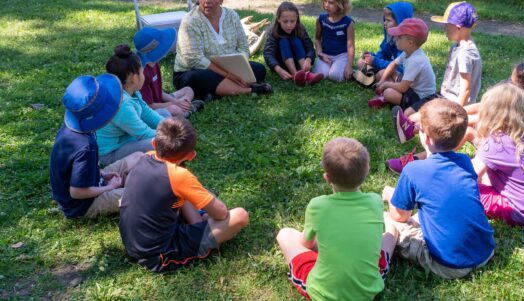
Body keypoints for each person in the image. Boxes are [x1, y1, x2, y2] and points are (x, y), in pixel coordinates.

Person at [383, 99, 495, 279]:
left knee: (388, 219)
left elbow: (399, 216)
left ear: (426, 138)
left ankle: (381, 262)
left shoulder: (413, 170)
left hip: (449, 265)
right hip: (485, 251)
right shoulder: (465, 161)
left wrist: (391, 196)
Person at [119, 117, 249, 272]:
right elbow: (221, 213)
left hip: (135, 243)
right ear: (191, 155)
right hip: (158, 255)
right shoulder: (179, 176)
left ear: (154, 143)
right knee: (239, 216)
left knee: (192, 196)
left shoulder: (145, 157)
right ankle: (200, 232)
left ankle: (198, 225)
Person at [276, 137, 397, 300]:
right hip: (368, 289)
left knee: (285, 234)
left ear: (327, 177)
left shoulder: (317, 206)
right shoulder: (375, 201)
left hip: (325, 292)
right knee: (392, 231)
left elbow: (306, 244)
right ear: (367, 170)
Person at [387, 61, 524, 173]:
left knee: (466, 130)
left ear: (522, 88)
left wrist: (455, 119)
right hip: (511, 148)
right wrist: (456, 111)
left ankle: (418, 157)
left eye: (511, 81)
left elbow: (484, 120)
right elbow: (483, 107)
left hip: (517, 158)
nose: (507, 82)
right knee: (467, 119)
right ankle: (413, 129)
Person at [49, 74, 142, 218]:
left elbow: (76, 168)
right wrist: (108, 187)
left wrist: (102, 174)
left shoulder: (73, 127)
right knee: (145, 194)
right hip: (84, 204)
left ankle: (127, 183)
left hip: (95, 181)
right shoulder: (85, 146)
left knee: (139, 157)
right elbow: (77, 192)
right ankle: (129, 187)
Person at [391, 2, 481, 143]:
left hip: (453, 102)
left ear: (458, 28)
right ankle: (407, 129)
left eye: (447, 25)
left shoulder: (466, 54)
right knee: (408, 113)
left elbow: (466, 87)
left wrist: (456, 114)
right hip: (444, 95)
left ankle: (410, 130)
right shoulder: (458, 46)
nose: (444, 28)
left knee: (420, 118)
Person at [173, 0, 272, 99]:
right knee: (197, 78)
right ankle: (249, 90)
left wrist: (240, 68)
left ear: (221, 0)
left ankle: (214, 92)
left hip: (230, 69)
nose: (207, 1)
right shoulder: (190, 21)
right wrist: (229, 75)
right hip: (194, 72)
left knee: (259, 69)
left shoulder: (232, 16)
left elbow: (243, 47)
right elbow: (195, 59)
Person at [472, 84, 524, 226]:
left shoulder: (495, 143)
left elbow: (468, 177)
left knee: (459, 190)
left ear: (488, 112)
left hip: (521, 213)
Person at [97, 45, 164, 166]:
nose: (144, 75)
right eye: (142, 72)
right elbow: (143, 133)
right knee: (156, 144)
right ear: (134, 78)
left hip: (126, 138)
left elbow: (147, 113)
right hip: (110, 154)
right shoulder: (122, 104)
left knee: (164, 115)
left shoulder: (132, 92)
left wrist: (170, 127)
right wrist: (172, 137)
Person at [134, 26, 204, 118]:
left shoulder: (155, 64)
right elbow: (149, 106)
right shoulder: (142, 73)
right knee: (175, 109)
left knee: (188, 90)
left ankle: (185, 107)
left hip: (160, 101)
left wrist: (178, 102)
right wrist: (175, 103)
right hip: (152, 109)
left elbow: (160, 92)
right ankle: (188, 112)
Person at [367, 18, 437, 110]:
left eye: (399, 37)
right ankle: (387, 96)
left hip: (420, 98)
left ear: (410, 43)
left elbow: (402, 88)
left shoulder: (416, 60)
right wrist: (382, 81)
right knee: (382, 74)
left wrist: (385, 84)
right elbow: (393, 64)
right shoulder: (408, 51)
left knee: (388, 92)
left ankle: (386, 98)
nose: (395, 38)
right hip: (410, 87)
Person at [264, 1, 323, 86]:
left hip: (300, 62)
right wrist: (278, 69)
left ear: (297, 19)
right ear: (278, 19)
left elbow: (309, 47)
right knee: (283, 41)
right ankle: (296, 75)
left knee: (296, 40)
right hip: (283, 65)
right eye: (285, 21)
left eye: (292, 21)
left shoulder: (300, 28)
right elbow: (268, 53)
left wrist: (308, 59)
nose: (289, 25)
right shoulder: (273, 31)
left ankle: (306, 73)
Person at [357, 2, 414, 81]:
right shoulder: (389, 38)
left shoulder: (405, 45)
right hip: (385, 66)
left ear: (400, 22)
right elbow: (383, 54)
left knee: (382, 73)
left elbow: (400, 69)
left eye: (388, 20)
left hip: (398, 75)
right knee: (361, 62)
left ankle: (371, 79)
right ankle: (371, 78)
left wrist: (375, 61)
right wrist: (371, 56)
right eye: (384, 20)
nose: (384, 23)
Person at [313, 0, 355, 82]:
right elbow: (317, 39)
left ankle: (350, 71)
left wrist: (349, 65)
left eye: (331, 2)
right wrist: (320, 53)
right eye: (325, 1)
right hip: (325, 55)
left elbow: (351, 46)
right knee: (321, 75)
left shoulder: (348, 23)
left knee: (334, 76)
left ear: (341, 3)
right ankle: (332, 67)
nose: (326, 5)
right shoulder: (321, 19)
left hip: (341, 55)